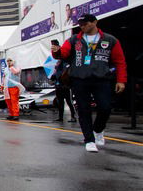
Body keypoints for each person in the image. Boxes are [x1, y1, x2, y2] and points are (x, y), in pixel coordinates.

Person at [52, 13, 127, 152]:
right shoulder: (74, 40)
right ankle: (89, 140)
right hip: (79, 79)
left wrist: (121, 80)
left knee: (105, 107)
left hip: (102, 79)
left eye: (85, 23)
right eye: (80, 24)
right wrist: (57, 52)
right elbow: (64, 53)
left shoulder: (110, 40)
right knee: (83, 109)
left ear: (94, 22)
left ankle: (98, 130)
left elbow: (120, 61)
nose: (82, 26)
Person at [50, 46, 76, 123]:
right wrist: (53, 76)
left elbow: (66, 73)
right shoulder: (58, 63)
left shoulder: (66, 62)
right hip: (58, 86)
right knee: (60, 102)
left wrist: (57, 75)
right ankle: (60, 117)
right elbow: (56, 74)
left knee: (69, 102)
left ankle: (73, 116)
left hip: (65, 86)